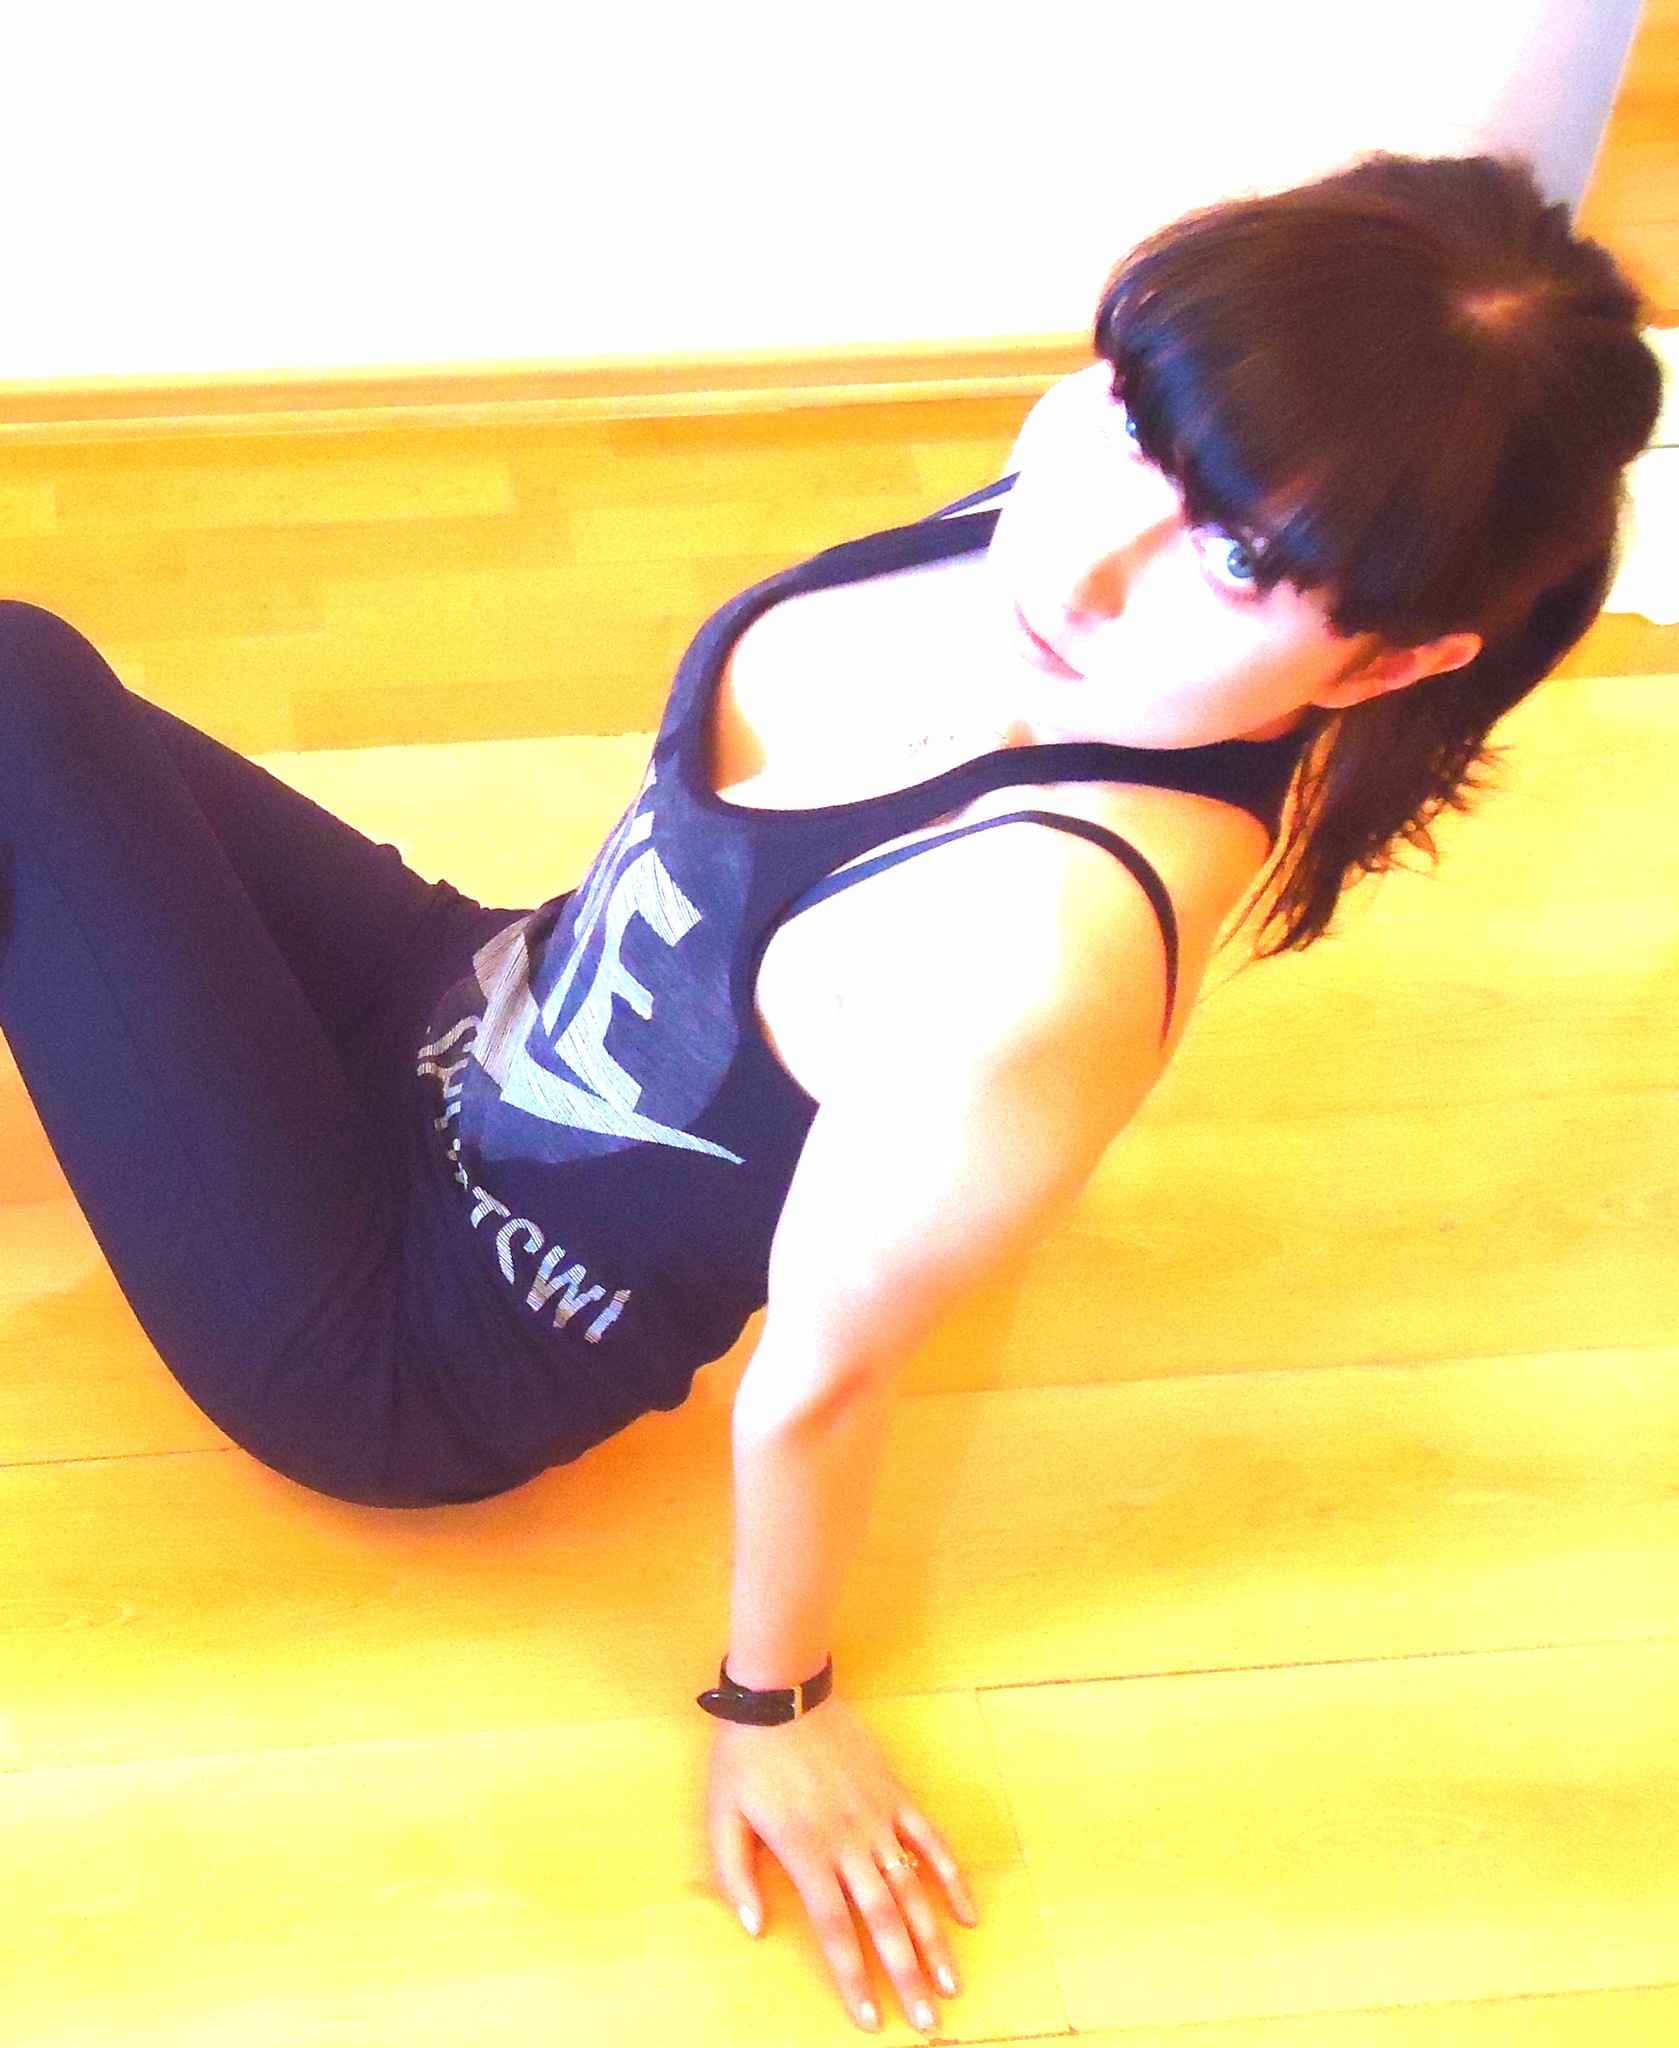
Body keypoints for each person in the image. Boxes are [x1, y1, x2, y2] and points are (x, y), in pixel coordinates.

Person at [0, 150, 1660, 2034]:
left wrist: (772, 1702)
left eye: (1238, 563)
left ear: (1403, 658)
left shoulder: (1050, 934)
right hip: (471, 993)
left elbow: (826, 1380)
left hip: (410, 1323)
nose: (1088, 561)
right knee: (35, 709)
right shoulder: (1073, 527)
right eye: (1133, 424)